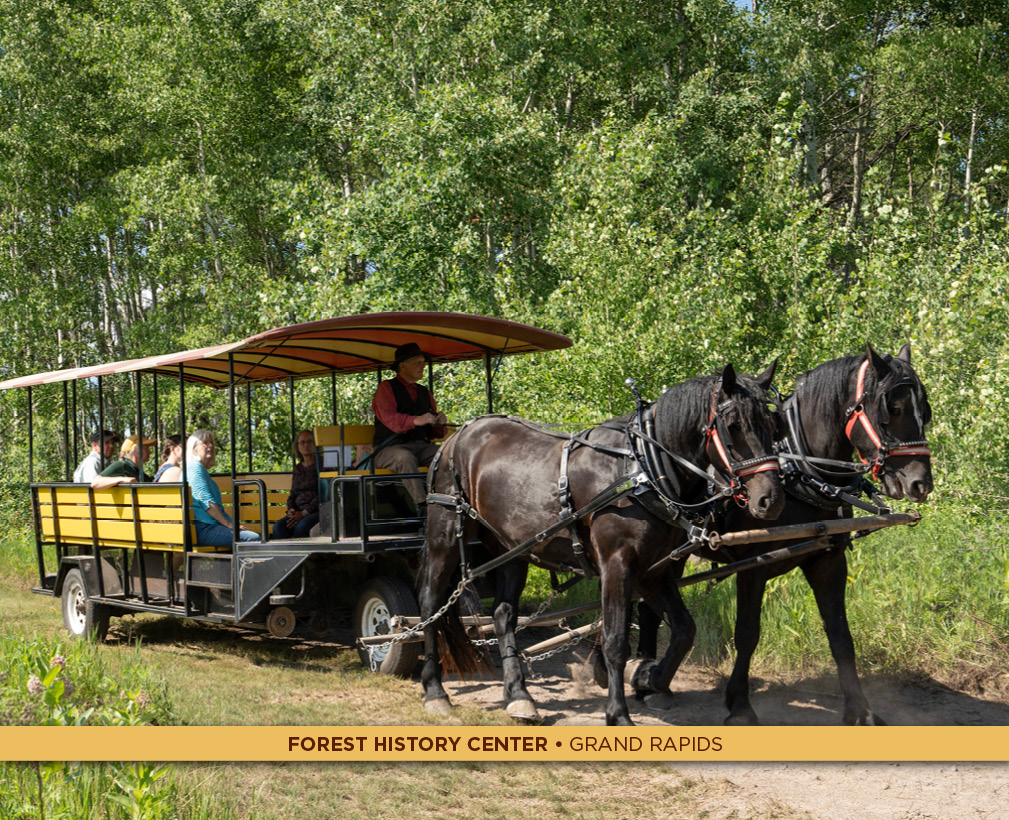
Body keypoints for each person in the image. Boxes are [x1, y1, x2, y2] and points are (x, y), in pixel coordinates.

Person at [371, 342, 447, 516]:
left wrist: (438, 423)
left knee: (446, 454)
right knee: (403, 458)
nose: (422, 366)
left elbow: (435, 434)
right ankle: (423, 508)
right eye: (417, 362)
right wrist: (416, 420)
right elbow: (391, 419)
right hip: (387, 449)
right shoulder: (386, 388)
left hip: (421, 447)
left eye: (423, 362)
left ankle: (450, 502)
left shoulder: (424, 391)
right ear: (402, 366)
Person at [185, 429, 259, 547]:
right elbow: (205, 500)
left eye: (212, 443)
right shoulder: (194, 467)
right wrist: (227, 523)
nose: (210, 446)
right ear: (194, 448)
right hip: (202, 528)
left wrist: (233, 524)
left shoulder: (198, 469)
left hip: (206, 526)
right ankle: (249, 566)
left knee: (247, 534)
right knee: (252, 538)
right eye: (205, 443)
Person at [272, 430, 320, 539]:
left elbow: (323, 494)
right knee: (278, 527)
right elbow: (293, 493)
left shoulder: (322, 466)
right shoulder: (298, 469)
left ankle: (304, 556)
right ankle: (285, 556)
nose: (306, 445)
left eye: (309, 442)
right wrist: (291, 511)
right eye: (302, 442)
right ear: (297, 447)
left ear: (315, 444)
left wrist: (303, 513)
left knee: (301, 527)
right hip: (298, 511)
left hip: (316, 511)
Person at [90, 434, 156, 489]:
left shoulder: (136, 470)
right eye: (146, 448)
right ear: (136, 450)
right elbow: (96, 482)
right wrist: (122, 479)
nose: (150, 452)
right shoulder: (122, 465)